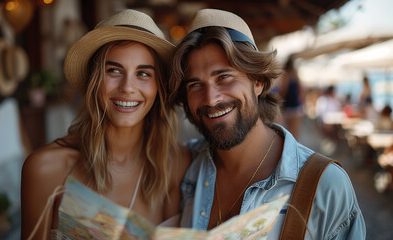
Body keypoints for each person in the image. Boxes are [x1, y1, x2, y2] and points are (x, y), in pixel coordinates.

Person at [169, 9, 366, 239]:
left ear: (258, 81)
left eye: (224, 77)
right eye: (195, 85)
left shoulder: (326, 185)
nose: (211, 98)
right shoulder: (183, 167)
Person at [21, 9, 190, 239]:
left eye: (143, 73)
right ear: (94, 80)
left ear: (158, 86)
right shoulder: (47, 169)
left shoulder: (174, 166)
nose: (127, 87)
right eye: (113, 70)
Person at [277, 56, 305, 139]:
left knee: (289, 131)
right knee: (294, 132)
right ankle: (294, 149)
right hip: (295, 105)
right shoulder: (295, 74)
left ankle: (290, 148)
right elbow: (301, 90)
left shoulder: (285, 74)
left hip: (287, 105)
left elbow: (283, 91)